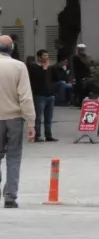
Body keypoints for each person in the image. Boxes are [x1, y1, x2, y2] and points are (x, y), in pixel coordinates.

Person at [0, 36, 35, 208]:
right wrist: (31, 122)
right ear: (12, 48)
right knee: (13, 157)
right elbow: (25, 97)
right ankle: (10, 197)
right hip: (14, 118)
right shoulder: (19, 66)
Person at [28, 50, 57, 143]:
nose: (46, 57)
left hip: (50, 96)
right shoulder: (34, 67)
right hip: (40, 95)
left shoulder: (49, 68)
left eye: (47, 56)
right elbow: (39, 79)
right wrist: (44, 69)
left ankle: (48, 135)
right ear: (39, 57)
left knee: (49, 117)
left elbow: (55, 78)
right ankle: (37, 135)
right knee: (38, 117)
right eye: (44, 56)